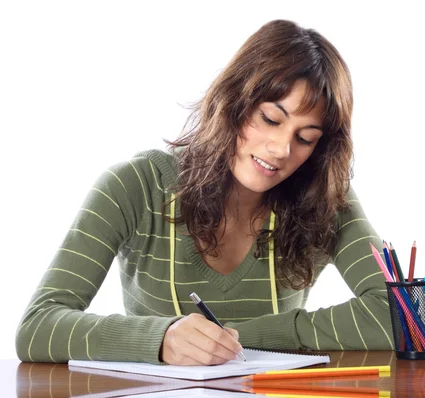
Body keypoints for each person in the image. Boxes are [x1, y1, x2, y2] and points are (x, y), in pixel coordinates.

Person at [15, 19, 393, 365]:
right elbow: (37, 327)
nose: (281, 149)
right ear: (234, 100)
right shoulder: (133, 187)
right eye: (270, 119)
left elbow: (401, 315)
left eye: (305, 138)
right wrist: (160, 338)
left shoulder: (322, 197)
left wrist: (242, 338)